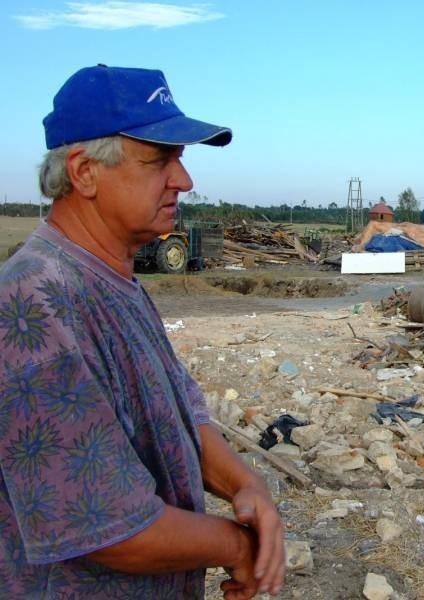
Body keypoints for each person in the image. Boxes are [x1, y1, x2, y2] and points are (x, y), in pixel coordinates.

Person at [0, 65, 285, 599]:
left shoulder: (118, 281)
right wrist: (239, 546)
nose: (184, 180)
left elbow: (178, 417)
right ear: (84, 172)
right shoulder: (30, 305)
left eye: (181, 158)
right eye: (160, 159)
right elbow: (107, 526)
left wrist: (248, 484)